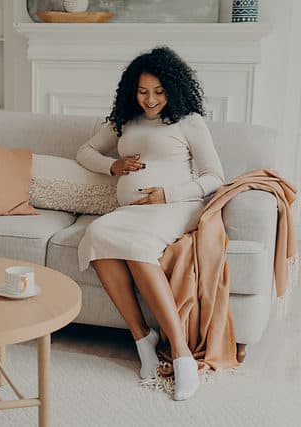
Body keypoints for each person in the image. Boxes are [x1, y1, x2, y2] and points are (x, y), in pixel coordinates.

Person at [76, 46, 225, 401]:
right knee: (97, 233)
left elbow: (215, 176)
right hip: (131, 212)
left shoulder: (189, 122)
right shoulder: (124, 121)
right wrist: (113, 166)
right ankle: (143, 339)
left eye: (158, 91)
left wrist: (167, 194)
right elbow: (85, 152)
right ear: (132, 90)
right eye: (143, 91)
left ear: (173, 89)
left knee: (139, 247)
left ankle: (181, 352)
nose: (150, 99)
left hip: (176, 206)